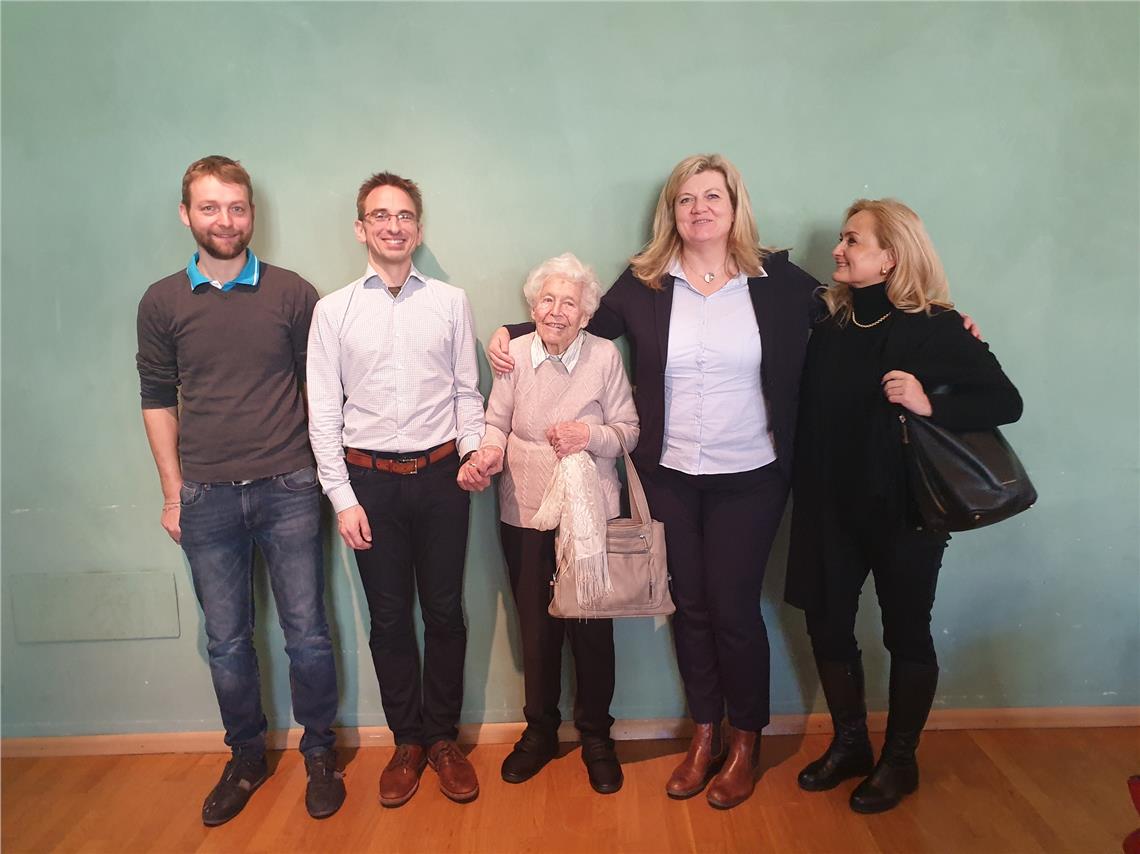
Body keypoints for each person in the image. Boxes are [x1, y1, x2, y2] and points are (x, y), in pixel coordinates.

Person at [488, 154, 820, 808]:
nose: (699, 209)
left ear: (735, 205)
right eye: (685, 199)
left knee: (734, 609)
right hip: (670, 476)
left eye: (712, 196)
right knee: (688, 606)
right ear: (672, 212)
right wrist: (516, 329)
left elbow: (851, 315)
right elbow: (581, 322)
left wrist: (943, 322)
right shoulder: (647, 283)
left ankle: (745, 741)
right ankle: (705, 734)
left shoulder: (775, 279)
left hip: (751, 475)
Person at [785, 199, 1023, 814]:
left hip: (905, 511)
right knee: (826, 625)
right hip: (828, 508)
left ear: (891, 257)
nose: (838, 249)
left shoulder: (937, 326)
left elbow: (1006, 401)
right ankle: (850, 745)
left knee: (906, 632)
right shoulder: (828, 322)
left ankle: (900, 760)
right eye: (841, 238)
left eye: (852, 241)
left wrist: (929, 403)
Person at [135, 156, 343, 826]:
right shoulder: (161, 302)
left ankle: (320, 754)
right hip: (206, 498)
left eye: (236, 207)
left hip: (289, 486)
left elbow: (320, 394)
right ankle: (246, 757)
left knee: (307, 634)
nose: (225, 220)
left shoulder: (293, 294)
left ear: (251, 213)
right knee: (226, 641)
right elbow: (157, 400)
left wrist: (326, 480)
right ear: (186, 214)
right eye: (210, 207)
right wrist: (173, 493)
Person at [306, 172, 485, 807]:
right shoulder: (333, 312)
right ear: (361, 229)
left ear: (418, 228)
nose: (393, 225)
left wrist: (472, 454)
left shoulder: (451, 303)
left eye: (404, 215)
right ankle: (406, 740)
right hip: (369, 485)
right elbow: (323, 416)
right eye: (380, 215)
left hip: (442, 479)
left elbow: (468, 394)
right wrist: (342, 498)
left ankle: (442, 740)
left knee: (445, 612)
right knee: (388, 618)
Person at [459, 253, 639, 794]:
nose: (557, 311)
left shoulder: (605, 356)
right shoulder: (514, 354)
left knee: (592, 628)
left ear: (586, 314)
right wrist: (487, 454)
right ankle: (539, 732)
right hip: (525, 507)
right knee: (536, 629)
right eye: (547, 300)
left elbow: (628, 430)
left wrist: (590, 436)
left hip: (591, 512)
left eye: (569, 303)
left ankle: (597, 737)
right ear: (533, 307)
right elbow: (495, 422)